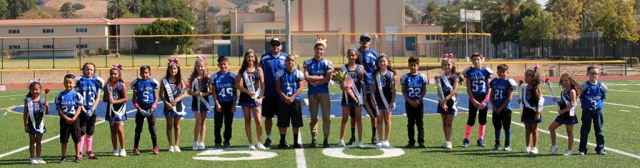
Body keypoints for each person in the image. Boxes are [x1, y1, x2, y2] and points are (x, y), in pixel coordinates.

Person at [304, 37, 333, 148]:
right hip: (312, 93)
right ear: (314, 49)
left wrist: (315, 80)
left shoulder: (327, 63)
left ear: (323, 50)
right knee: (314, 117)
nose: (319, 51)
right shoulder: (307, 62)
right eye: (317, 49)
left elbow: (327, 78)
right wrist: (319, 78)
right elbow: (306, 77)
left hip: (324, 92)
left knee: (326, 117)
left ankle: (326, 139)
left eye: (321, 49)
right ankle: (314, 138)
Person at [236, 49, 267, 150]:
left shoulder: (259, 69)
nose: (250, 58)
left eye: (252, 57)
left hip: (256, 98)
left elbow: (262, 84)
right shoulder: (242, 70)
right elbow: (236, 85)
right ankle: (251, 143)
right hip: (245, 98)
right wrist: (246, 91)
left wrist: (261, 98)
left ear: (255, 58)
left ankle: (260, 142)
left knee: (258, 120)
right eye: (248, 57)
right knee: (247, 120)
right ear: (245, 58)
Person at [260, 38, 287, 148]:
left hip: (282, 93)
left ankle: (282, 138)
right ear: (270, 46)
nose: (275, 46)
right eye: (273, 45)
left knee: (282, 117)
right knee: (268, 117)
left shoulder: (286, 57)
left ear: (281, 46)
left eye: (277, 44)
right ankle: (268, 137)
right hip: (269, 92)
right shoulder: (264, 57)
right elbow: (260, 73)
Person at [461, 52, 493, 147]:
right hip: (474, 97)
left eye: (478, 59)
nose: (476, 61)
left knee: (482, 119)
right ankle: (466, 138)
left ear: (482, 60)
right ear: (472, 61)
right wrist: (473, 100)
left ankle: (480, 138)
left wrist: (486, 100)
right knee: (471, 118)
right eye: (474, 60)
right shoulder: (469, 71)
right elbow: (468, 88)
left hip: (483, 97)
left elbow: (489, 87)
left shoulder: (486, 71)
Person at [75, 62, 104, 159]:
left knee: (90, 132)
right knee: (82, 131)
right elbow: (78, 97)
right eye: (87, 69)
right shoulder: (80, 80)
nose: (89, 71)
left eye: (91, 69)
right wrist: (83, 109)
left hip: (92, 110)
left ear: (94, 71)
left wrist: (92, 109)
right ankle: (79, 151)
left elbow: (98, 97)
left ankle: (88, 151)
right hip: (81, 109)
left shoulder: (97, 81)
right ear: (83, 70)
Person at [338, 47, 365, 148]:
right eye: (349, 55)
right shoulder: (342, 68)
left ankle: (360, 140)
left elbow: (362, 82)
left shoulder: (361, 68)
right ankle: (341, 140)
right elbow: (341, 84)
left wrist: (365, 95)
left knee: (358, 118)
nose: (351, 57)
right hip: (346, 96)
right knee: (345, 118)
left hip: (357, 96)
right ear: (347, 56)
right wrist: (343, 86)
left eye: (353, 55)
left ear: (356, 56)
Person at [275, 55, 305, 148]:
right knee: (283, 122)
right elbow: (278, 88)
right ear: (285, 62)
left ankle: (295, 142)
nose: (290, 62)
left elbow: (300, 88)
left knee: (296, 122)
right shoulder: (280, 73)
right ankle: (282, 141)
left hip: (295, 100)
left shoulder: (299, 74)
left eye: (292, 60)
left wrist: (292, 97)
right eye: (288, 60)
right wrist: (286, 98)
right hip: (283, 101)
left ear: (295, 62)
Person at [578, 65, 608, 155]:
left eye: (596, 73)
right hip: (587, 111)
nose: (594, 75)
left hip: (598, 111)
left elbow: (602, 97)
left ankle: (600, 148)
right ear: (587, 74)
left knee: (599, 130)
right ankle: (582, 149)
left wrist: (598, 105)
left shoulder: (602, 86)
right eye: (592, 73)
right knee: (585, 130)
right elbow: (581, 98)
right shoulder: (584, 86)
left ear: (598, 74)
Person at [549, 73, 581, 156]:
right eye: (562, 81)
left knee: (569, 132)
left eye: (566, 80)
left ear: (571, 81)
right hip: (563, 114)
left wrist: (563, 111)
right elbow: (563, 102)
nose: (564, 82)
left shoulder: (572, 91)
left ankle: (569, 150)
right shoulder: (563, 91)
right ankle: (554, 145)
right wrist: (556, 100)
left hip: (569, 115)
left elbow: (573, 104)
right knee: (551, 128)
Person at [131, 65, 160, 155]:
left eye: (146, 72)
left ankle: (155, 147)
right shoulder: (137, 83)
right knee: (138, 128)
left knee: (152, 127)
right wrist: (139, 108)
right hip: (141, 107)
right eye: (143, 73)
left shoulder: (153, 83)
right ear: (140, 73)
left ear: (150, 73)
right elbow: (134, 99)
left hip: (150, 107)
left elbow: (156, 98)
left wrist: (152, 108)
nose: (144, 74)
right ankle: (135, 147)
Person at [160, 58, 188, 152]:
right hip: (168, 106)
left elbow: (185, 93)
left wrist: (176, 100)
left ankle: (176, 145)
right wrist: (166, 103)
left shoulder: (181, 81)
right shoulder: (164, 81)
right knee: (169, 125)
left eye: (175, 69)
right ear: (168, 70)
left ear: (178, 69)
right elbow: (160, 94)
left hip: (178, 106)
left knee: (177, 125)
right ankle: (170, 145)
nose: (173, 70)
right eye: (171, 69)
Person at [210, 56, 237, 149]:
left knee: (228, 123)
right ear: (218, 65)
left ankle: (227, 141)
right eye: (221, 64)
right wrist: (216, 103)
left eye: (225, 64)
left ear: (228, 64)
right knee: (218, 124)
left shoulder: (233, 76)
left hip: (229, 103)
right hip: (219, 102)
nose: (223, 66)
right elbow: (213, 92)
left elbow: (235, 92)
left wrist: (234, 104)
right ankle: (217, 141)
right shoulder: (214, 76)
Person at [401, 56, 428, 148]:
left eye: (415, 65)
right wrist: (409, 101)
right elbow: (403, 91)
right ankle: (411, 141)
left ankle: (421, 141)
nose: (413, 67)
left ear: (418, 66)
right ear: (408, 66)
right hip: (409, 103)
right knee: (410, 122)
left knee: (420, 122)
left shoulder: (422, 77)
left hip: (419, 102)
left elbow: (424, 90)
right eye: (411, 65)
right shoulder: (405, 77)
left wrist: (419, 100)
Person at [56, 74, 83, 163]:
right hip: (64, 119)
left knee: (76, 138)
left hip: (75, 118)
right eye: (66, 83)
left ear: (74, 84)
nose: (68, 85)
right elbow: (59, 109)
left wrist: (74, 117)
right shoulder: (60, 95)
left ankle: (77, 155)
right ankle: (63, 156)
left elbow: (79, 107)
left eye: (70, 83)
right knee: (64, 139)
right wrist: (65, 117)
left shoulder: (77, 95)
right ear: (63, 83)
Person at [489, 64, 517, 151]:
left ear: (507, 72)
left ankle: (507, 144)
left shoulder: (509, 82)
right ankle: (497, 143)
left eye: (503, 72)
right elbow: (491, 96)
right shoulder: (494, 81)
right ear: (497, 72)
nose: (501, 73)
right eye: (500, 72)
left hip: (506, 108)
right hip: (496, 107)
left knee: (506, 126)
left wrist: (501, 108)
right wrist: (493, 106)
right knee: (497, 126)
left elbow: (510, 97)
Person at [436, 54, 462, 149]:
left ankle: (449, 141)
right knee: (444, 122)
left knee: (449, 122)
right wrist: (441, 100)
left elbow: (455, 90)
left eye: (448, 65)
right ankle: (447, 141)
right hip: (442, 101)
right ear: (442, 66)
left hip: (451, 102)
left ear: (452, 65)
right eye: (445, 65)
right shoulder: (440, 77)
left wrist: (446, 99)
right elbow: (439, 90)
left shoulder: (455, 77)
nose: (447, 66)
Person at [358, 33, 380, 144]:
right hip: (357, 87)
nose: (364, 42)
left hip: (370, 87)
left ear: (370, 42)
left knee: (373, 113)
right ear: (359, 41)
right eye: (363, 40)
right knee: (355, 113)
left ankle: (374, 136)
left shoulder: (374, 55)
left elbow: (378, 70)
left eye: (366, 40)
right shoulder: (356, 54)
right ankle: (354, 136)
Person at [371, 54, 396, 147]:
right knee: (379, 120)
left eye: (384, 61)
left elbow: (394, 89)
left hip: (388, 101)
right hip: (378, 100)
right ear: (378, 63)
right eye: (380, 61)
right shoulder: (375, 75)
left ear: (388, 62)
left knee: (388, 120)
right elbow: (372, 90)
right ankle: (380, 140)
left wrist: (392, 101)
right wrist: (373, 101)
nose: (382, 63)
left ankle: (386, 140)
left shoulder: (391, 74)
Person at [104, 64, 128, 156]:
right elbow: (104, 99)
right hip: (110, 110)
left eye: (115, 74)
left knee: (119, 129)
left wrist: (115, 101)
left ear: (119, 75)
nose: (113, 76)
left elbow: (125, 98)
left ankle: (123, 149)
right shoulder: (107, 86)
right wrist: (108, 98)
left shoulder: (121, 85)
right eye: (111, 74)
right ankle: (115, 149)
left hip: (120, 110)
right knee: (113, 130)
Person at [519, 65, 544, 154]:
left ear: (533, 77)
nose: (526, 78)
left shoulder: (536, 88)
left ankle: (534, 147)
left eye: (528, 76)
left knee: (534, 130)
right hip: (526, 111)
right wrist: (520, 100)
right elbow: (523, 98)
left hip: (534, 111)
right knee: (527, 130)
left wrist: (538, 112)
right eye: (525, 76)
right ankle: (527, 146)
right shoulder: (524, 87)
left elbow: (540, 100)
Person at [188, 56, 212, 150]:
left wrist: (203, 93)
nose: (200, 68)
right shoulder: (193, 77)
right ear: (195, 67)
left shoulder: (207, 78)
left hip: (204, 101)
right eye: (198, 66)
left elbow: (211, 91)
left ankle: (202, 142)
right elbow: (188, 91)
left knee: (203, 121)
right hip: (195, 102)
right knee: (198, 120)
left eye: (201, 66)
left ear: (205, 66)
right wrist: (194, 93)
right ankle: (195, 141)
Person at [24, 79, 49, 164]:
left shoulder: (42, 100)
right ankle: (32, 158)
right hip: (31, 124)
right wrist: (25, 125)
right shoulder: (28, 100)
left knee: (38, 141)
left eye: (37, 89)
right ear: (30, 90)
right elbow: (25, 114)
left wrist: (47, 106)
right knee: (32, 141)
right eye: (33, 89)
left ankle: (39, 157)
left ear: (40, 90)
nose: (35, 91)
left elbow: (47, 113)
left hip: (40, 124)